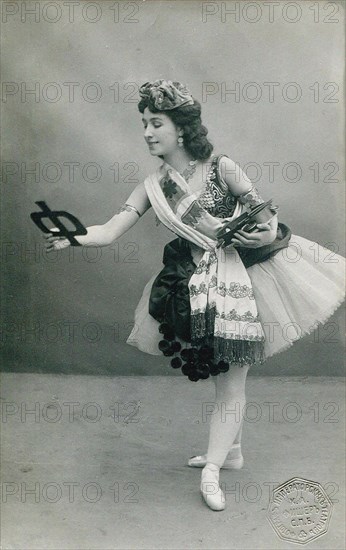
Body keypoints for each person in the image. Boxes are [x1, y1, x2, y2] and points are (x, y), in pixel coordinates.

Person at [44, 79, 345, 512]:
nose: (147, 132)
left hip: (245, 281)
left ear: (181, 129)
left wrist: (253, 228)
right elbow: (110, 231)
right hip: (196, 285)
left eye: (156, 123)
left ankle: (212, 471)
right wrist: (71, 236)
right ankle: (231, 452)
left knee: (231, 379)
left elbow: (264, 216)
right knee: (223, 373)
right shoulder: (152, 186)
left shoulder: (223, 166)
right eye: (143, 124)